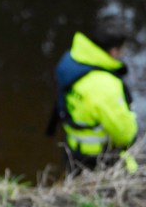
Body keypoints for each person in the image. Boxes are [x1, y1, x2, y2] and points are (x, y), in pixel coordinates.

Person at [49, 13, 138, 174]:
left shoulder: (72, 59)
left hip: (72, 149)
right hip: (97, 160)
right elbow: (125, 134)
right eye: (122, 49)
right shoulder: (105, 86)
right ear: (113, 51)